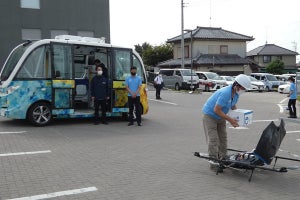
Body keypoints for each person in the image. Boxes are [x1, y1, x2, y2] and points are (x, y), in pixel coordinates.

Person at [202, 74, 252, 172]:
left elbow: (233, 106)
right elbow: (216, 109)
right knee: (213, 140)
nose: (244, 90)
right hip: (210, 115)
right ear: (237, 85)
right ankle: (214, 164)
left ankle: (223, 158)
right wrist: (230, 120)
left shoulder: (236, 94)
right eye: (243, 88)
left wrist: (239, 116)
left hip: (221, 116)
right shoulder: (225, 93)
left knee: (223, 138)